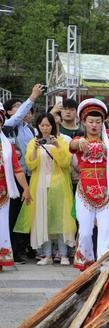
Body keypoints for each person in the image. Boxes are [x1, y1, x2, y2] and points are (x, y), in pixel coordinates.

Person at [70, 99, 109, 271]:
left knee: (106, 232)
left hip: (106, 192)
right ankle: (86, 264)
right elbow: (71, 146)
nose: (94, 125)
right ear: (84, 122)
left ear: (102, 123)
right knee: (85, 232)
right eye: (91, 121)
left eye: (98, 122)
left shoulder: (108, 141)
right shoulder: (79, 139)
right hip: (84, 191)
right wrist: (78, 144)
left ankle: (104, 268)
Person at [14, 113, 75, 265]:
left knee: (62, 219)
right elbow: (30, 165)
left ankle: (63, 254)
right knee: (43, 219)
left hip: (59, 184)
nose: (45, 128)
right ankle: (46, 255)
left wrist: (57, 146)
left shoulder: (62, 141)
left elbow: (65, 162)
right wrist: (34, 149)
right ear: (38, 126)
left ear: (53, 126)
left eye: (48, 125)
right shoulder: (33, 142)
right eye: (42, 125)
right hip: (40, 185)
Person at [3, 85, 43, 264]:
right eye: (17, 107)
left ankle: (21, 248)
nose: (21, 110)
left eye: (23, 105)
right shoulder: (9, 125)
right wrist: (33, 96)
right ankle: (12, 249)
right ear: (8, 112)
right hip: (12, 178)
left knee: (24, 214)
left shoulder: (29, 129)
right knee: (12, 215)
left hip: (28, 174)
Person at [0, 106, 33, 270]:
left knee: (2, 225)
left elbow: (17, 169)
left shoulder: (7, 146)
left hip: (3, 193)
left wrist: (26, 189)